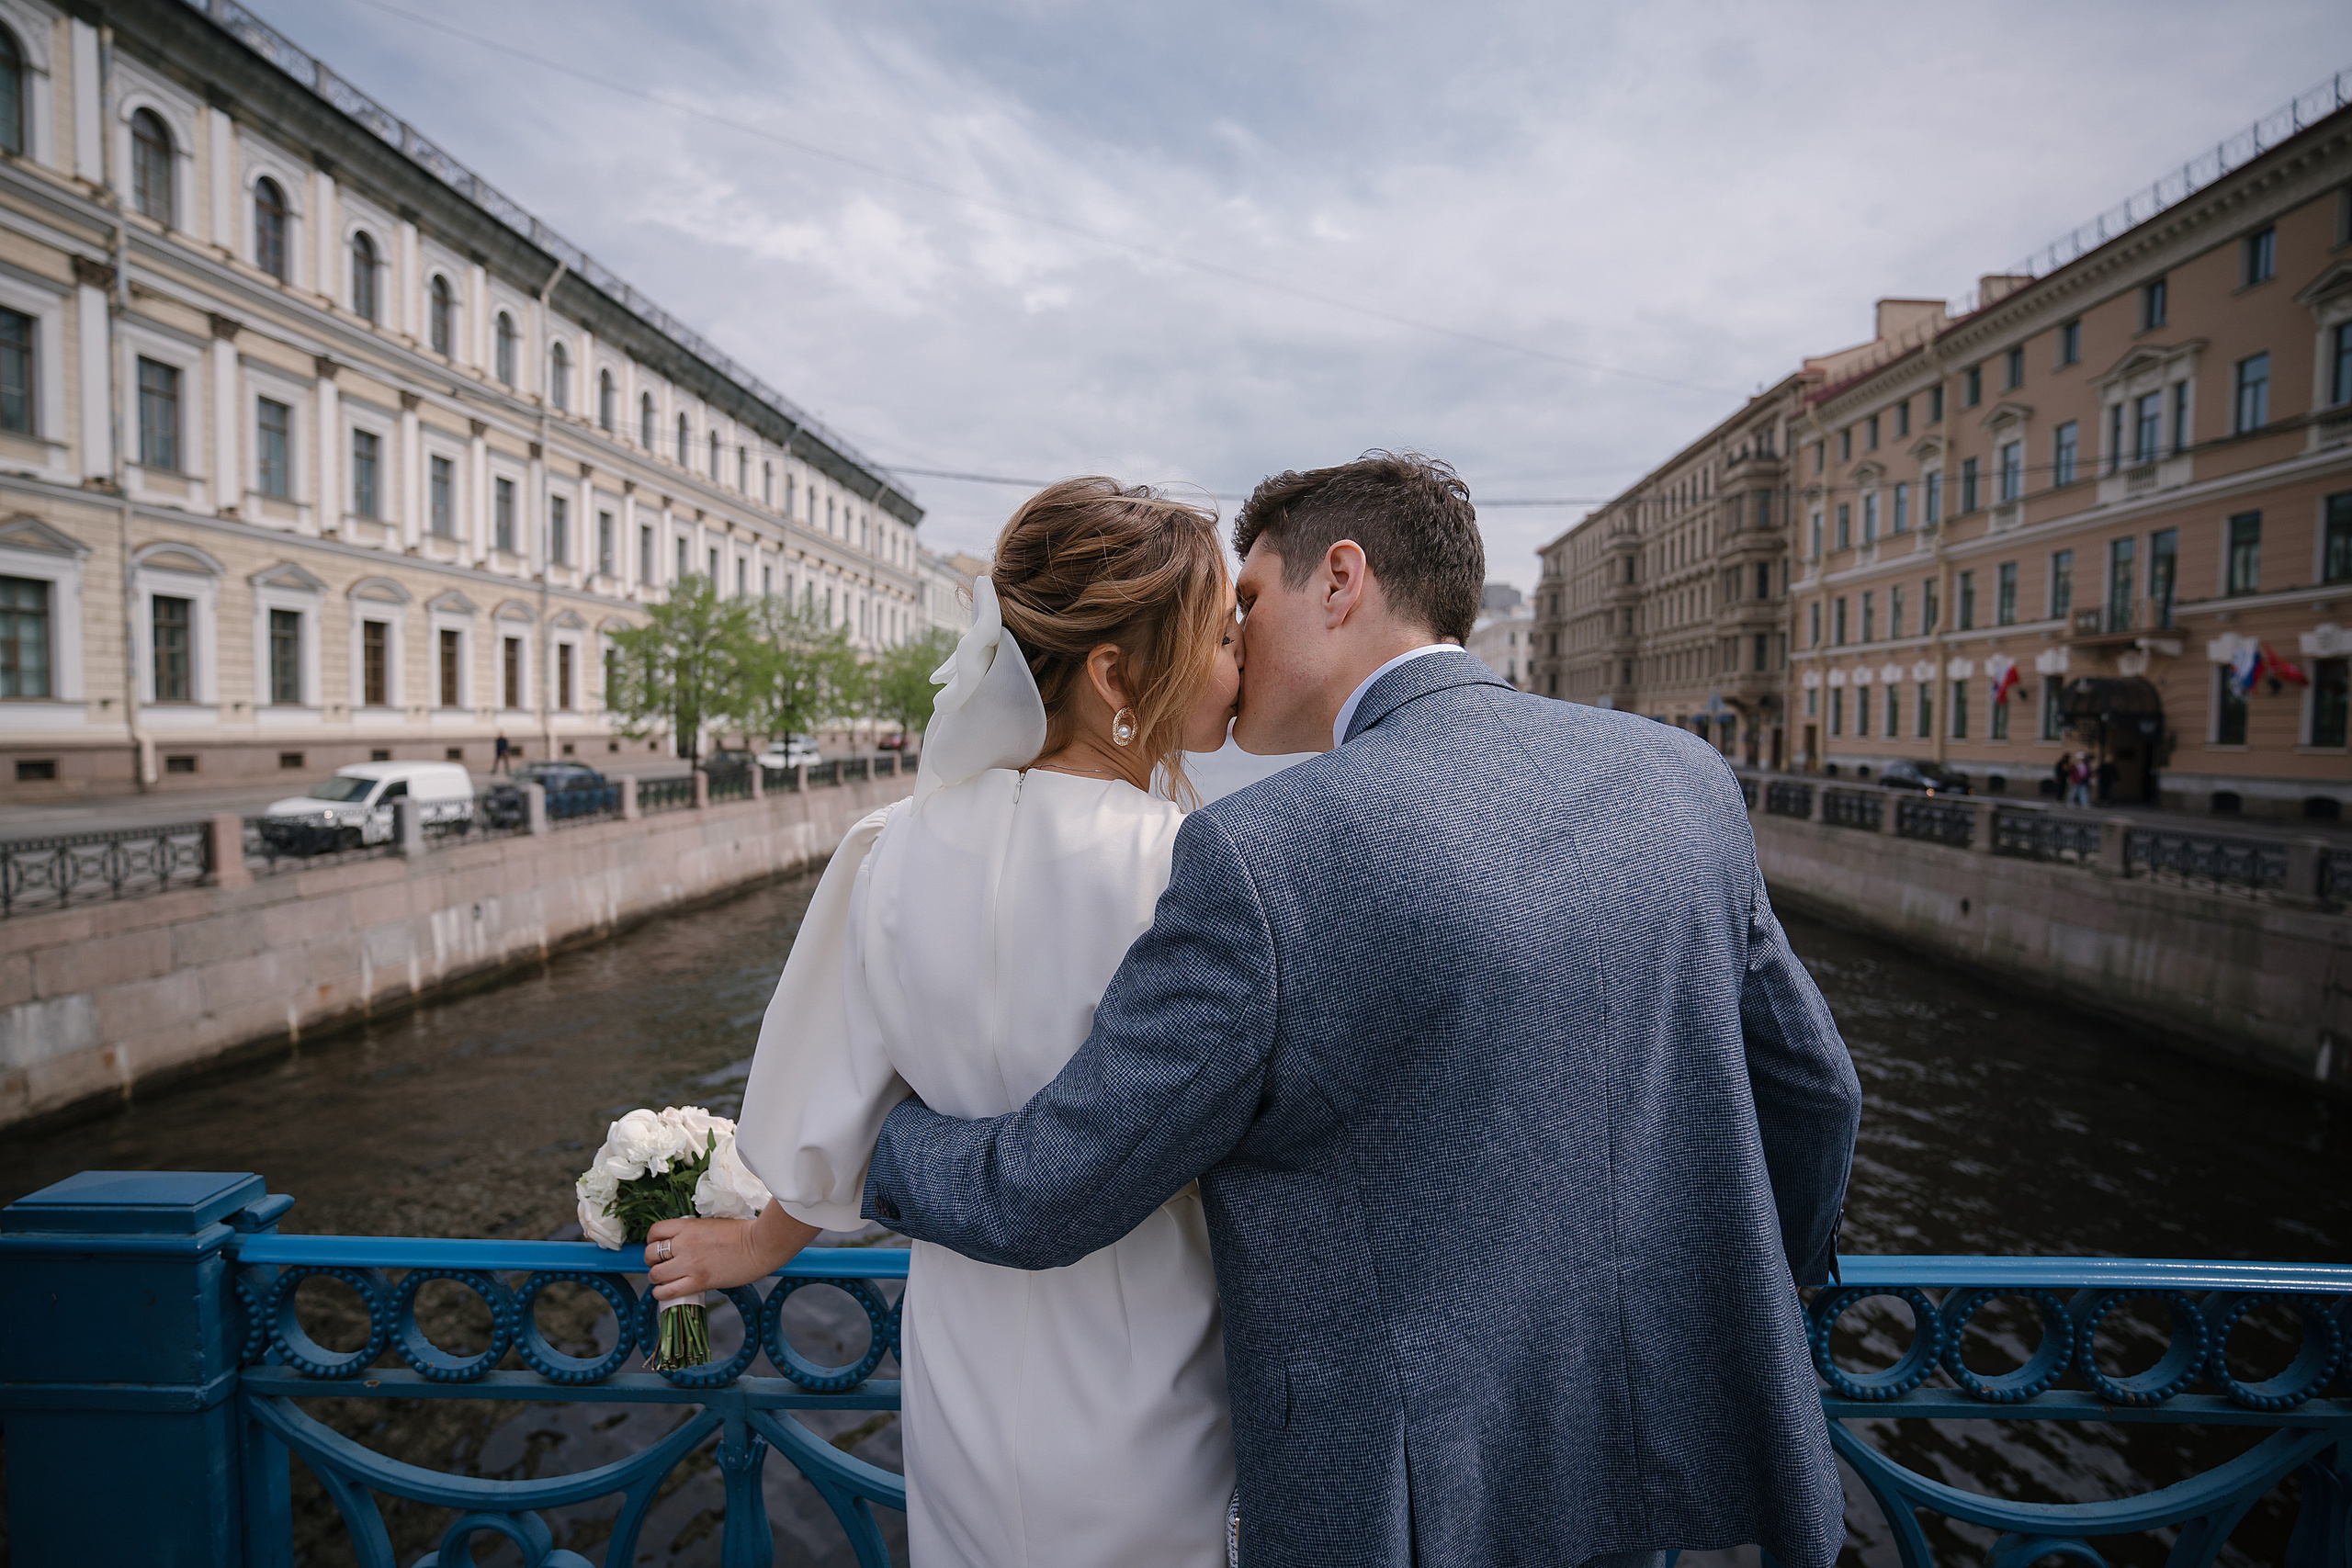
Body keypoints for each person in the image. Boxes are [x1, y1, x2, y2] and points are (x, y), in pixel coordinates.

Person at [842, 452, 1857, 1566]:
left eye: (1245, 603)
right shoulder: (1682, 780)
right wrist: (1755, 1289)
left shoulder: (1268, 851)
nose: (1222, 646)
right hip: (1658, 1443)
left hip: (1416, 1502)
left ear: (1339, 580)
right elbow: (1815, 1092)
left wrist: (876, 1144)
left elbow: (1051, 1190)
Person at [649, 479, 1246, 1565]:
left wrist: (754, 1244)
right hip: (1149, 1354)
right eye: (1217, 636)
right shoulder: (1187, 867)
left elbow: (826, 1107)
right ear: (1117, 675)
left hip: (962, 1347)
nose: (1238, 661)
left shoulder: (888, 849)